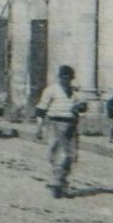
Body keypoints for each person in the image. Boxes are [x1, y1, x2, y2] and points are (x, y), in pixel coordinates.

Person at [34, 65, 88, 198]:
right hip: (55, 123)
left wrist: (80, 107)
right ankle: (56, 181)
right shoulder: (51, 90)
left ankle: (61, 182)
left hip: (71, 124)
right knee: (58, 152)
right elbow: (41, 109)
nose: (66, 80)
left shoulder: (76, 92)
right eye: (63, 77)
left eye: (68, 78)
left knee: (71, 155)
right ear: (59, 77)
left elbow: (83, 105)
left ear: (72, 78)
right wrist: (39, 127)